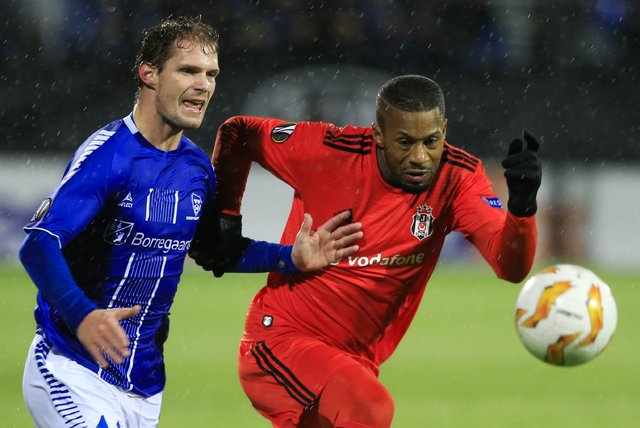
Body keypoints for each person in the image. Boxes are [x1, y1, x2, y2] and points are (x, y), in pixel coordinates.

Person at [18, 16, 363, 428]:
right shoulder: (109, 156)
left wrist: (291, 257)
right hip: (72, 367)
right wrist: (82, 316)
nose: (203, 85)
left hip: (144, 386)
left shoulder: (196, 168)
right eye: (188, 71)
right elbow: (38, 244)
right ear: (149, 73)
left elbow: (213, 251)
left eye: (211, 74)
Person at [211, 74, 541, 428]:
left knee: (362, 405)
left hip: (353, 365)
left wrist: (521, 208)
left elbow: (509, 267)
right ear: (378, 134)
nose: (420, 157)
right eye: (405, 142)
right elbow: (239, 132)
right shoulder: (328, 150)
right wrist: (224, 218)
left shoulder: (458, 177)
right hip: (280, 342)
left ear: (444, 131)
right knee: (370, 407)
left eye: (431, 141)